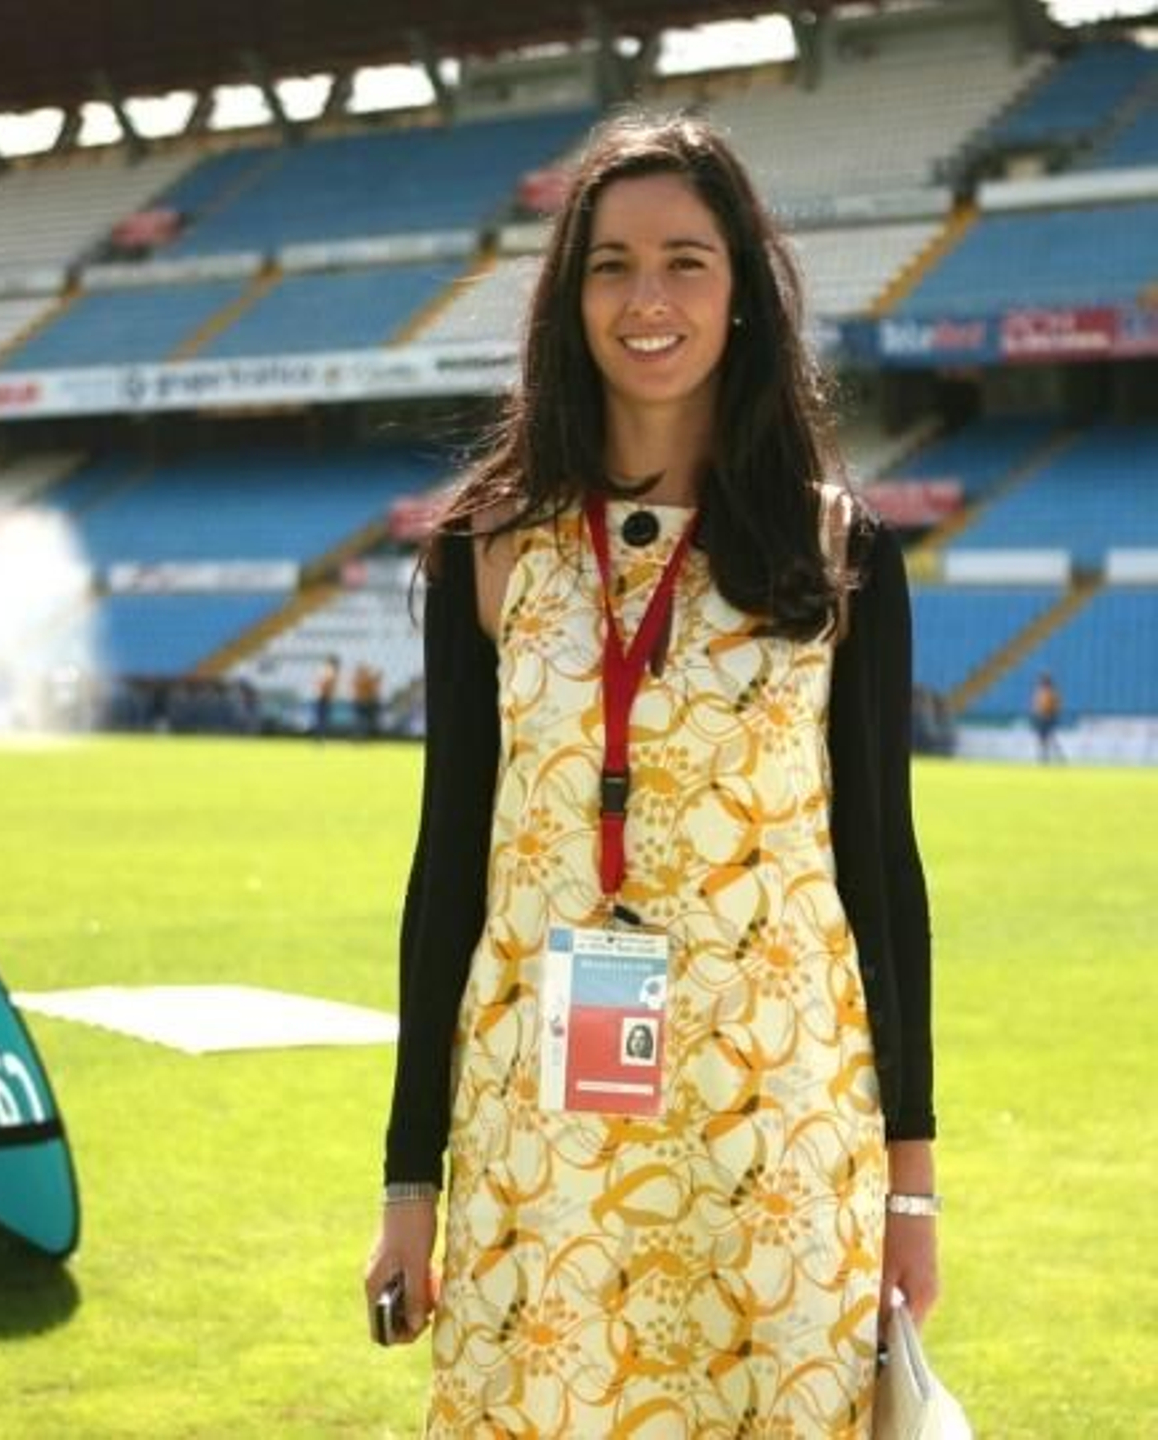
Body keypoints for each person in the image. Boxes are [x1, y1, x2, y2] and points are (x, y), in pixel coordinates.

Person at [365, 114, 939, 1436]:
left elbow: (884, 878)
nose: (648, 300)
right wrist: (408, 1186)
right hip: (543, 1136)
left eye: (686, 261)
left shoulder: (837, 554)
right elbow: (447, 873)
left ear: (742, 293)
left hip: (780, 1132)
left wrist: (911, 1188)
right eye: (611, 266)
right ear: (568, 300)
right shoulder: (489, 552)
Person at [1030, 670, 1065, 763]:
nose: (1042, 682)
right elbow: (1035, 705)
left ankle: (1058, 758)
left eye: (1044, 680)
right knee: (1043, 740)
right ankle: (1045, 758)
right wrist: (1036, 715)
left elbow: (1057, 706)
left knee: (1051, 739)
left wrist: (1053, 716)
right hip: (1041, 718)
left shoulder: (1052, 692)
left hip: (1049, 718)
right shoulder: (1040, 691)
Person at [312, 654, 340, 738]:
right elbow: (326, 683)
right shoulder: (330, 671)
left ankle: (320, 734)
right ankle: (320, 735)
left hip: (323, 696)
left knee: (322, 717)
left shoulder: (328, 670)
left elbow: (324, 683)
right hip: (324, 697)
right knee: (322, 717)